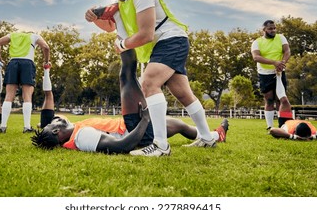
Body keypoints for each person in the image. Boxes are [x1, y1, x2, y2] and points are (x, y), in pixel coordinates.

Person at [85, 0, 216, 157]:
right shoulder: (122, 2)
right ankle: (207, 138)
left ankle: (161, 146)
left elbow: (146, 35)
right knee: (183, 94)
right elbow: (109, 27)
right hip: (164, 45)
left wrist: (122, 45)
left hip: (171, 40)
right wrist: (93, 17)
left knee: (148, 82)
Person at [32, 48, 229, 153]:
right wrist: (143, 120)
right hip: (133, 126)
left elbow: (53, 115)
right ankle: (124, 28)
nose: (56, 118)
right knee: (126, 75)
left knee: (179, 126)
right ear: (57, 131)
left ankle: (214, 136)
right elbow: (122, 146)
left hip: (134, 126)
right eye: (52, 124)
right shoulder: (82, 137)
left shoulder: (71, 129)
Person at [0, 31, 50, 133]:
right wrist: (46, 61)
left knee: (9, 95)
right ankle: (27, 127)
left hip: (13, 63)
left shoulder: (13, 35)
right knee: (27, 96)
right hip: (27, 64)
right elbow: (46, 47)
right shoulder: (34, 36)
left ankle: (3, 126)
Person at [269, 72, 317, 141]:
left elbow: (272, 130)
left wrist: (292, 136)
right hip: (291, 122)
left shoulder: (289, 131)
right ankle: (278, 77)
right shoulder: (312, 131)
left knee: (284, 101)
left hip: (285, 122)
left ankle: (278, 77)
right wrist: (315, 136)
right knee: (284, 101)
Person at [251, 20, 291, 131]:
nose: (273, 30)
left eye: (274, 28)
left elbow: (287, 51)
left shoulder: (281, 38)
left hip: (279, 72)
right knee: (269, 100)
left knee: (281, 99)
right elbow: (256, 57)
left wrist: (282, 63)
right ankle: (269, 126)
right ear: (264, 30)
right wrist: (274, 62)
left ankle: (283, 125)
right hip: (265, 74)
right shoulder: (257, 42)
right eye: (270, 29)